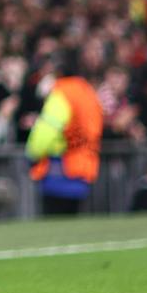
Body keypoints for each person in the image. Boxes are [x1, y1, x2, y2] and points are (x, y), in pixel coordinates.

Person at [25, 71, 103, 215]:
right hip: (83, 167)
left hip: (60, 170)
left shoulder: (61, 94)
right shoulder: (87, 92)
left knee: (55, 223)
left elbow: (47, 131)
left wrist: (32, 154)